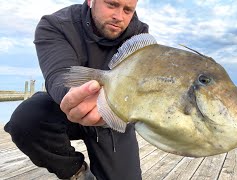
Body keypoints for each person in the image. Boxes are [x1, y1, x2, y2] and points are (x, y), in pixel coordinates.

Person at [4, 0, 149, 179]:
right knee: (27, 119)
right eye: (111, 4)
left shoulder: (139, 35)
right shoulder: (55, 25)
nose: (119, 16)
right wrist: (75, 94)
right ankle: (76, 172)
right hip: (67, 107)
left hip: (113, 115)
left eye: (128, 10)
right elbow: (59, 74)